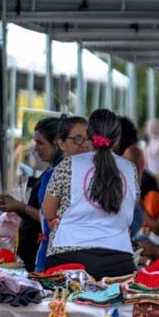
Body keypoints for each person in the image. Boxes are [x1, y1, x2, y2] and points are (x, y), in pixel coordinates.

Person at [42, 110, 138, 278]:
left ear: (88, 136)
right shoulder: (130, 169)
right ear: (117, 139)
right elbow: (131, 207)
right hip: (119, 259)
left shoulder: (68, 165)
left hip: (68, 257)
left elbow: (48, 211)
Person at [0, 117, 63, 271]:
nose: (36, 148)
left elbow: (50, 218)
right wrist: (17, 207)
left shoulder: (59, 175)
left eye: (40, 143)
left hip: (46, 254)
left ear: (57, 144)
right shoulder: (49, 171)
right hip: (31, 250)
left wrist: (21, 207)